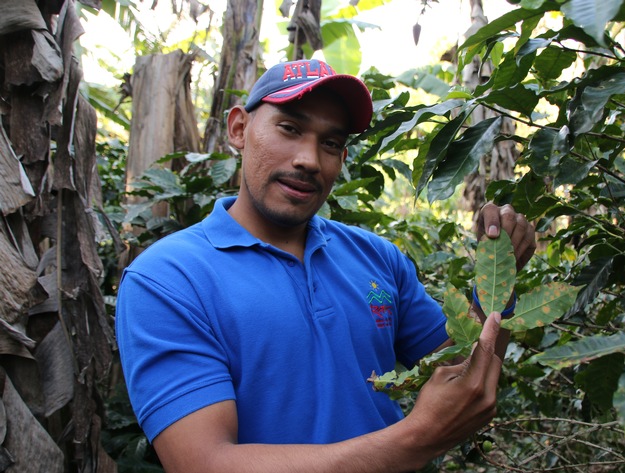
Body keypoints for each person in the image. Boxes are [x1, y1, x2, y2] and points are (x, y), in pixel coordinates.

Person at [115, 58, 536, 472]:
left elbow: (463, 373)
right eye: (290, 128)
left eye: (330, 143)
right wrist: (415, 439)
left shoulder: (378, 258)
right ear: (239, 128)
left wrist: (498, 275)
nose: (310, 160)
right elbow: (204, 463)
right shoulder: (167, 279)